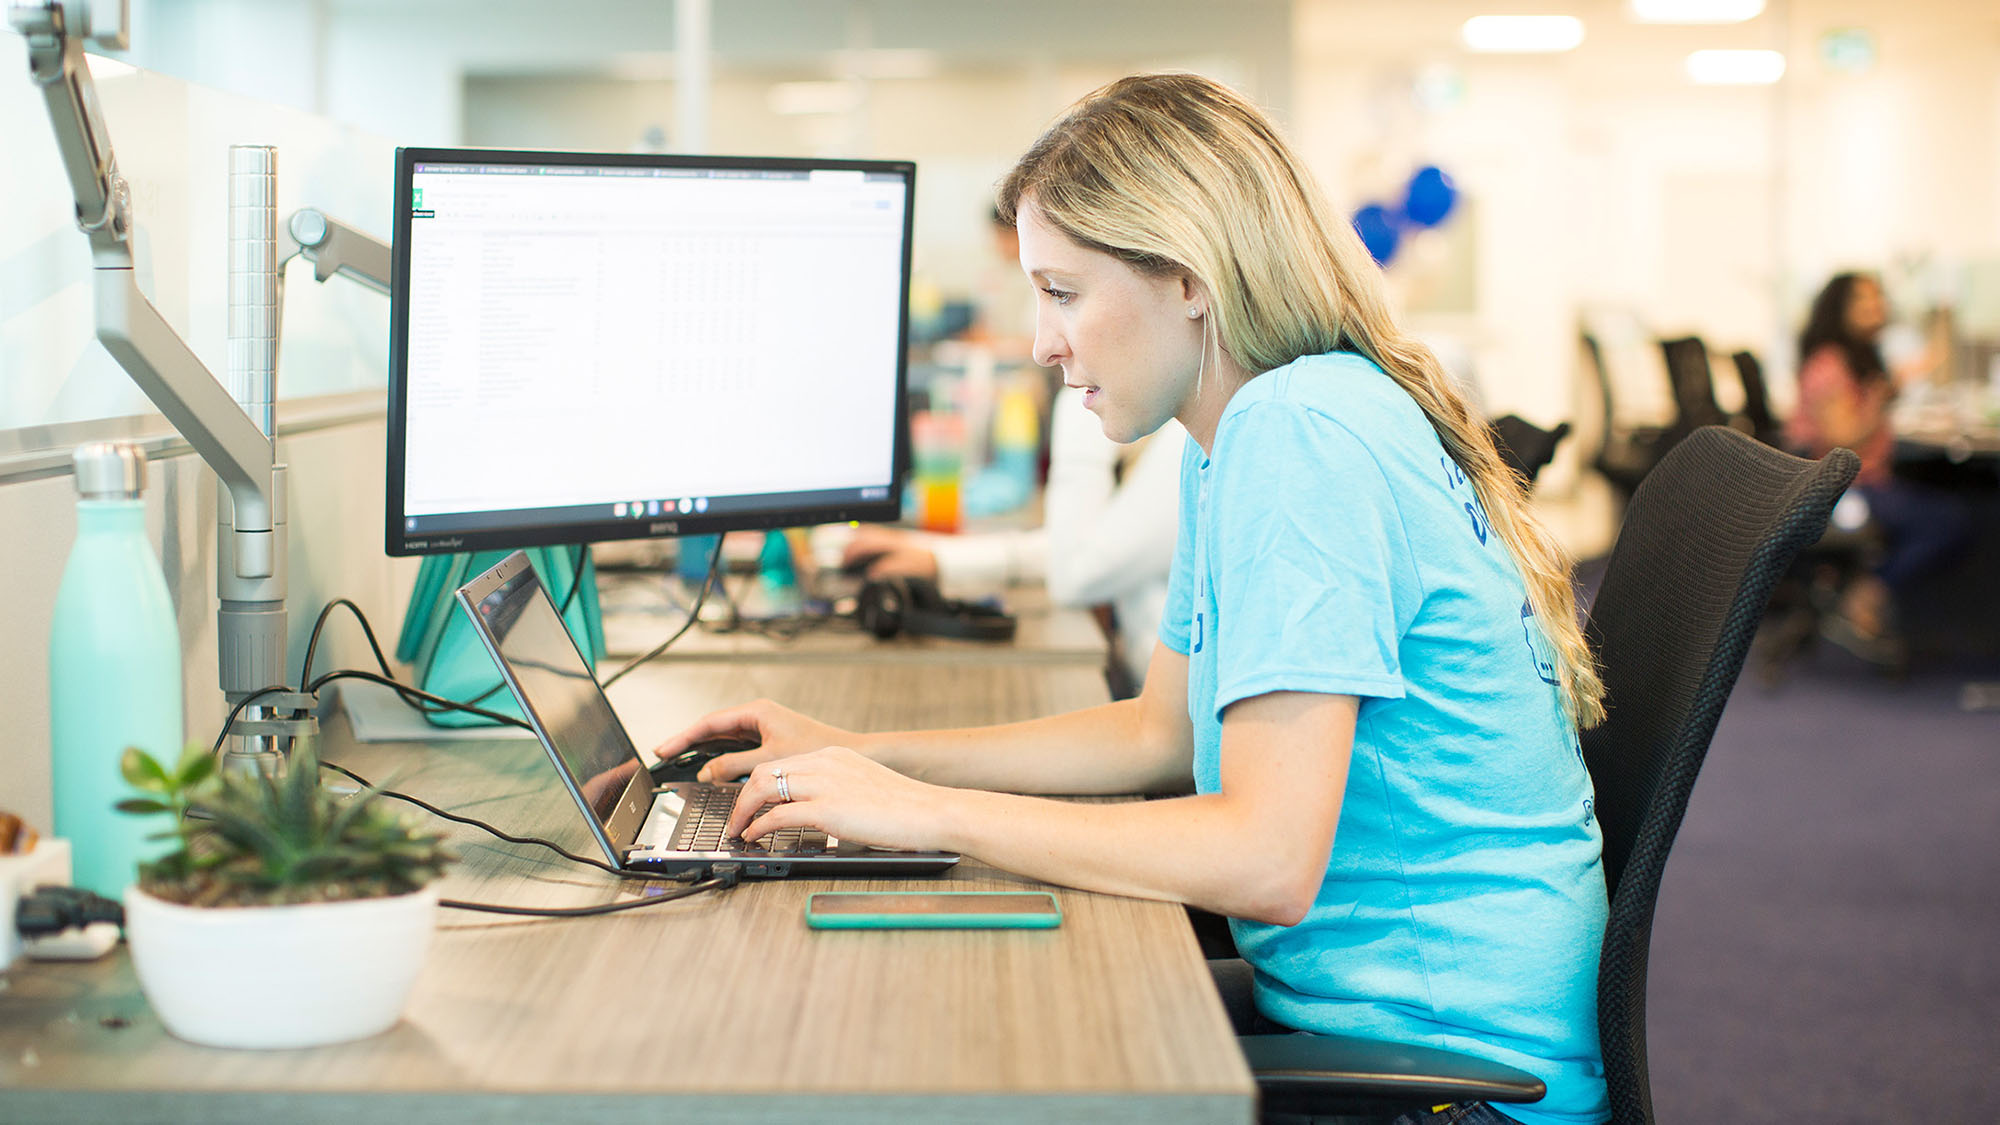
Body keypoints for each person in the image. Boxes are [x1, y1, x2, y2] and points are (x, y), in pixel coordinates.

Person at [658, 74, 1610, 1125]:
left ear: (1187, 278)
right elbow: (1159, 731)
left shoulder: (1299, 435)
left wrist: (923, 813)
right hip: (1372, 1020)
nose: (1039, 342)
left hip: (1454, 1083)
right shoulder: (1241, 427)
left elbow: (1263, 859)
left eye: (1062, 293)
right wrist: (869, 757)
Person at [842, 386, 1182, 694]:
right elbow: (1084, 546)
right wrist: (935, 556)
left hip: (1172, 728)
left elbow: (1076, 575)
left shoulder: (1187, 442)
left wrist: (1079, 408)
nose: (1045, 349)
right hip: (1149, 698)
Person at [1785, 272, 1972, 656]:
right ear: (1840, 309)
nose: (1877, 308)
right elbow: (1841, 438)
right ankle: (1870, 591)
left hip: (1868, 483)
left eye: (1878, 299)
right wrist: (1887, 395)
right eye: (1864, 301)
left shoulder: (1861, 358)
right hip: (1843, 494)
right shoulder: (1828, 364)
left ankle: (1872, 593)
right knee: (1949, 519)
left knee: (1945, 504)